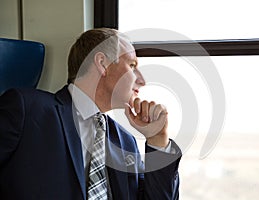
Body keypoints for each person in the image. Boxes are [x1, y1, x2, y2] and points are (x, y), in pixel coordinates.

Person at [0, 28, 181, 200]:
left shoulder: (126, 142)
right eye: (132, 65)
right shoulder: (28, 110)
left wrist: (158, 140)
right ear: (103, 64)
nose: (142, 80)